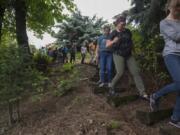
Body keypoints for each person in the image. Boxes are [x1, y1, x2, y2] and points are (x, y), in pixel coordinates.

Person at [150, 0, 180, 128]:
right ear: (170, 8)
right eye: (177, 7)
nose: (179, 10)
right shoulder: (164, 23)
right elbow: (177, 37)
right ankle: (155, 96)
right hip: (171, 55)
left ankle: (175, 119)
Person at [106, 16, 148, 98]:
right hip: (118, 54)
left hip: (129, 54)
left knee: (136, 72)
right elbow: (107, 45)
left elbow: (131, 42)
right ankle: (111, 86)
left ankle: (142, 92)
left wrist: (135, 51)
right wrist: (114, 41)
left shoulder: (128, 31)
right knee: (120, 72)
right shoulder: (113, 33)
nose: (123, 26)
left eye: (124, 24)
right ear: (117, 24)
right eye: (121, 24)